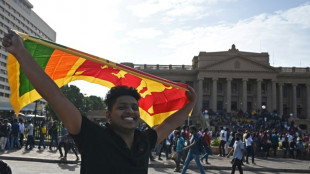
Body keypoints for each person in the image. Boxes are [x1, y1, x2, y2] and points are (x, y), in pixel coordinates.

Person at [2, 30, 197, 174]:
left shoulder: (143, 141)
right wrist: (20, 52)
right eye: (122, 107)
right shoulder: (92, 136)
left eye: (134, 107)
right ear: (108, 114)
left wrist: (191, 103)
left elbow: (170, 123)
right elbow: (55, 96)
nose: (130, 111)